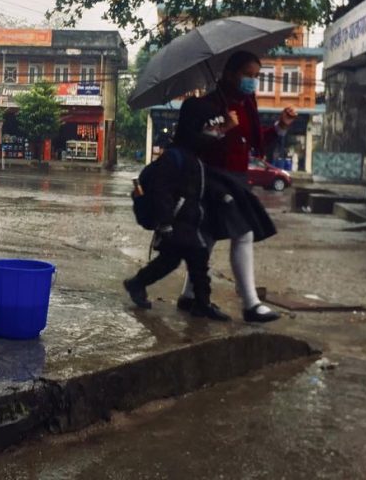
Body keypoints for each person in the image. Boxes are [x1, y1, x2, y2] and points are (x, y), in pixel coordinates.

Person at [173, 51, 297, 323]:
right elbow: (187, 143)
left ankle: (190, 294)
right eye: (247, 75)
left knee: (208, 237)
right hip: (211, 178)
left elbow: (256, 145)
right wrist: (221, 128)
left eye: (256, 76)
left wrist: (280, 127)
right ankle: (251, 304)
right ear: (229, 74)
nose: (252, 82)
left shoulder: (246, 105)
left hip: (238, 178)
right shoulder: (203, 105)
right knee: (243, 233)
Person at [122, 142, 229, 320]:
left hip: (186, 219)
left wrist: (223, 196)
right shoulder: (176, 157)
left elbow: (202, 187)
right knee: (196, 258)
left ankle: (137, 283)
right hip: (178, 220)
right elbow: (161, 190)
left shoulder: (195, 158)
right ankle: (202, 304)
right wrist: (165, 223)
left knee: (173, 260)